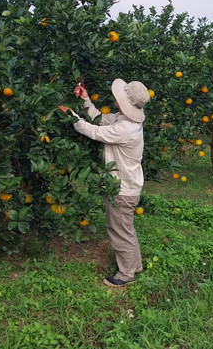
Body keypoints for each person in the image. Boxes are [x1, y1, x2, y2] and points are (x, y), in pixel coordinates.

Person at [58, 79, 150, 287]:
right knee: (126, 228)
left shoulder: (125, 129)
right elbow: (101, 120)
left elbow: (95, 132)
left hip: (122, 189)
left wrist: (72, 117)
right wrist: (85, 100)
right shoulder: (126, 121)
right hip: (129, 186)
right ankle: (135, 264)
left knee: (118, 230)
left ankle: (126, 275)